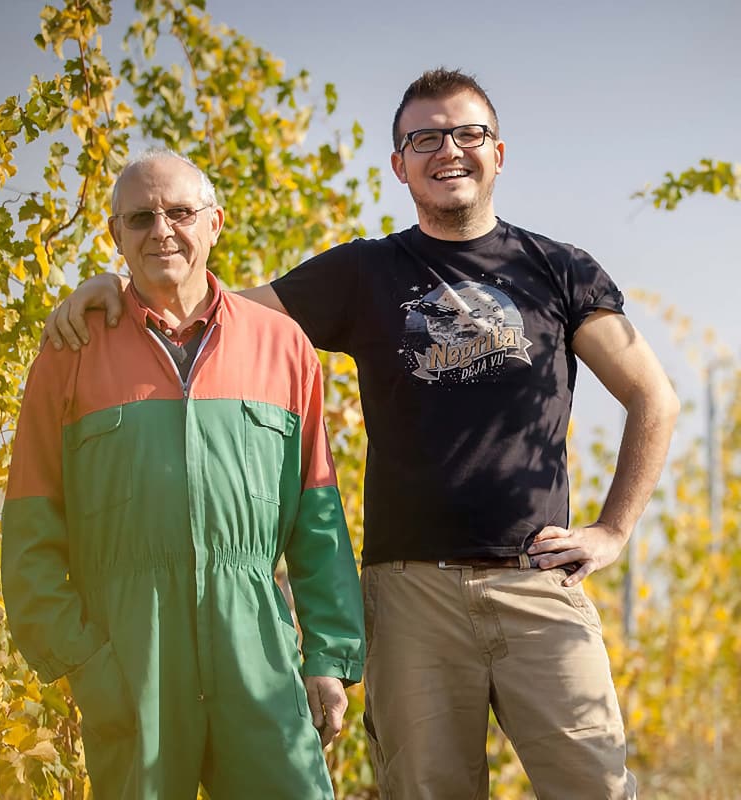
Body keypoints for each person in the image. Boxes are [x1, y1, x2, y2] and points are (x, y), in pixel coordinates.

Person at [43, 70, 680, 799]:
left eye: (468, 133)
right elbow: (207, 311)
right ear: (399, 164)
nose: (449, 150)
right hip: (410, 599)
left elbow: (652, 398)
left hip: (537, 583)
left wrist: (613, 531)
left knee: (597, 787)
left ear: (498, 153)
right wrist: (118, 291)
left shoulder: (559, 271)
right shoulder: (363, 272)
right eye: (425, 138)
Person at [2, 149, 365, 800]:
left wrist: (329, 656)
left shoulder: (282, 347)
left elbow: (318, 520)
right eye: (140, 218)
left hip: (257, 652)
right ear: (115, 234)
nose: (162, 231)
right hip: (130, 659)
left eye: (180, 212)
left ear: (215, 222)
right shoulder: (70, 351)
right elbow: (30, 528)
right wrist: (84, 662)